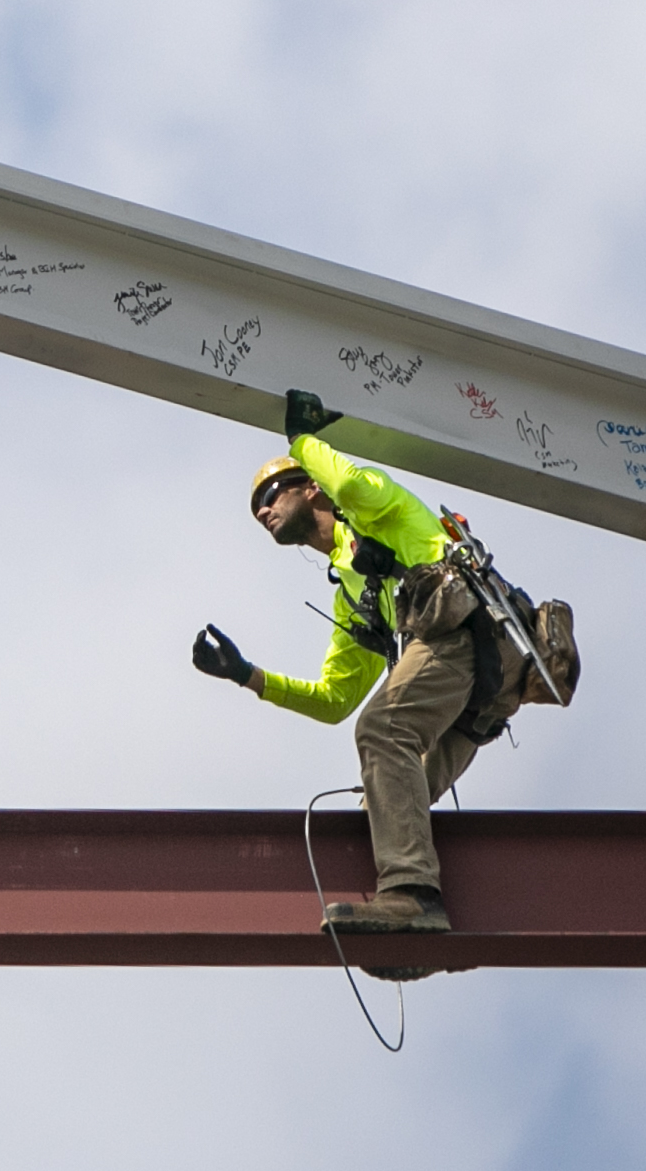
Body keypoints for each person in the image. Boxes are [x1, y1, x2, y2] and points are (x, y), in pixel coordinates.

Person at [191, 390, 525, 937]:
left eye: (272, 493)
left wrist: (303, 438)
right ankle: (415, 925)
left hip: (472, 630)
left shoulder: (370, 504)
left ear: (310, 484)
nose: (264, 510)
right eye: (257, 511)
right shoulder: (356, 593)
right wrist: (247, 674)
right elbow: (335, 700)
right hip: (480, 687)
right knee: (383, 797)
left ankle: (412, 895)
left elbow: (344, 483)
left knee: (384, 729)